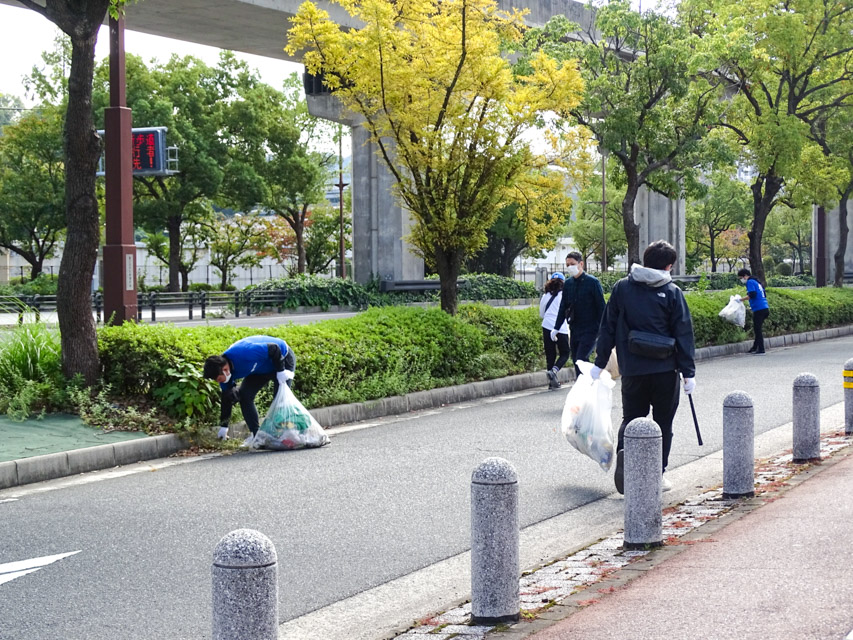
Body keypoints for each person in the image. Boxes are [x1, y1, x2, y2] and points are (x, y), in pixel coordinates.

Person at [590, 240, 696, 494]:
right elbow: (683, 333)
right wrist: (688, 373)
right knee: (663, 423)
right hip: (665, 369)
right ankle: (657, 473)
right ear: (669, 266)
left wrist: (600, 362)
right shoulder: (672, 292)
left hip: (633, 368)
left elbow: (607, 327)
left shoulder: (623, 288)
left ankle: (626, 459)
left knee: (632, 419)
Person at [203, 334, 295, 444]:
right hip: (260, 369)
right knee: (245, 395)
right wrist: (224, 426)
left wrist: (280, 371)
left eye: (218, 379)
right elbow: (227, 397)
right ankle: (257, 436)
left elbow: (274, 348)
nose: (218, 382)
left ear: (225, 369)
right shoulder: (225, 376)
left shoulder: (245, 353)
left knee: (279, 400)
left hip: (282, 358)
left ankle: (286, 435)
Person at [551, 251, 606, 378]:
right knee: (576, 359)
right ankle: (584, 383)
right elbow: (563, 306)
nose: (570, 267)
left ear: (581, 264)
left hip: (591, 329)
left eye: (573, 264)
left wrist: (605, 329)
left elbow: (601, 307)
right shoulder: (568, 284)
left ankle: (585, 385)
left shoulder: (593, 283)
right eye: (567, 265)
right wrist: (556, 327)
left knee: (581, 358)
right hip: (575, 328)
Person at [540, 272, 571, 390]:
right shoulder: (565, 295)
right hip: (560, 327)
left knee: (550, 354)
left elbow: (542, 314)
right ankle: (554, 371)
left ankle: (551, 382)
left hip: (547, 326)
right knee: (565, 353)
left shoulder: (545, 296)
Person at [737, 268, 769, 355]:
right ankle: (754, 348)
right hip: (764, 307)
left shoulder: (750, 282)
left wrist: (740, 300)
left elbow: (752, 294)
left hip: (759, 309)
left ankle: (761, 349)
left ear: (745, 276)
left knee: (757, 330)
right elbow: (763, 294)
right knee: (757, 328)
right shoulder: (756, 282)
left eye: (741, 278)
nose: (741, 280)